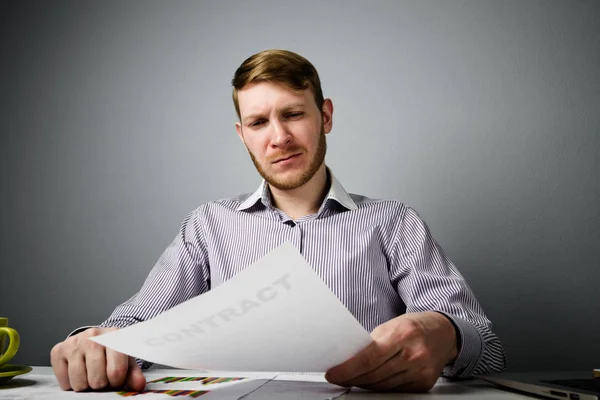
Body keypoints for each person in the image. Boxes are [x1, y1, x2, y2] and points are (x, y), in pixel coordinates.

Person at [50, 49, 507, 393]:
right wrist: (91, 341)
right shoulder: (209, 226)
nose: (279, 138)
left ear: (324, 116)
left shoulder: (393, 222)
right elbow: (132, 329)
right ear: (242, 136)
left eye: (292, 114)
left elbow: (488, 349)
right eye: (258, 123)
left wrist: (446, 334)